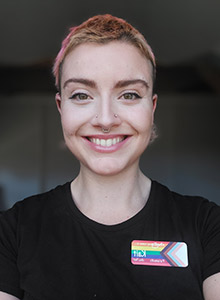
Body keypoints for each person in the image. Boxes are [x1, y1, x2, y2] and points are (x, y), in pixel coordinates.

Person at [0, 14, 220, 300]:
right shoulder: (12, 233)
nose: (105, 119)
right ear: (61, 108)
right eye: (81, 95)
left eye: (129, 95)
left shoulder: (208, 227)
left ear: (151, 107)